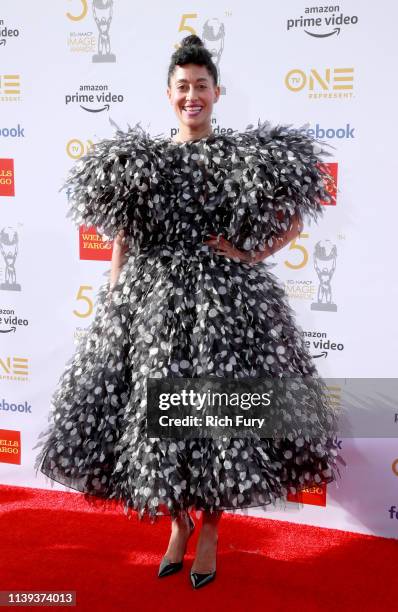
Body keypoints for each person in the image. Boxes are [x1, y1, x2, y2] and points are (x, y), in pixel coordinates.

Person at [34, 35, 345, 590]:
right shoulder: (145, 161)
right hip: (152, 305)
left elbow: (297, 217)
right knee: (159, 423)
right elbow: (124, 236)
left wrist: (250, 254)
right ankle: (176, 523)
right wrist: (114, 292)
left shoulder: (241, 157)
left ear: (217, 92)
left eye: (202, 86)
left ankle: (209, 530)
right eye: (183, 87)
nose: (192, 95)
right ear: (169, 95)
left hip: (221, 307)